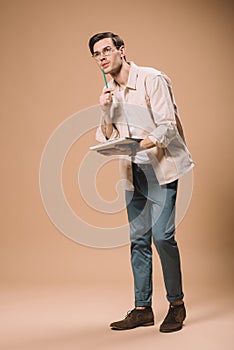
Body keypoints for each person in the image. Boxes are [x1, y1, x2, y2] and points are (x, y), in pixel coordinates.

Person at [88, 32, 195, 333]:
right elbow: (105, 137)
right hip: (132, 174)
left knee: (161, 237)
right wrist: (105, 109)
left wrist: (139, 145)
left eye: (107, 50)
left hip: (160, 169)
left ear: (121, 50)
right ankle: (142, 308)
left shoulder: (152, 79)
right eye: (97, 54)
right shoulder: (109, 91)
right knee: (138, 240)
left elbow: (167, 127)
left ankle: (176, 304)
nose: (102, 57)